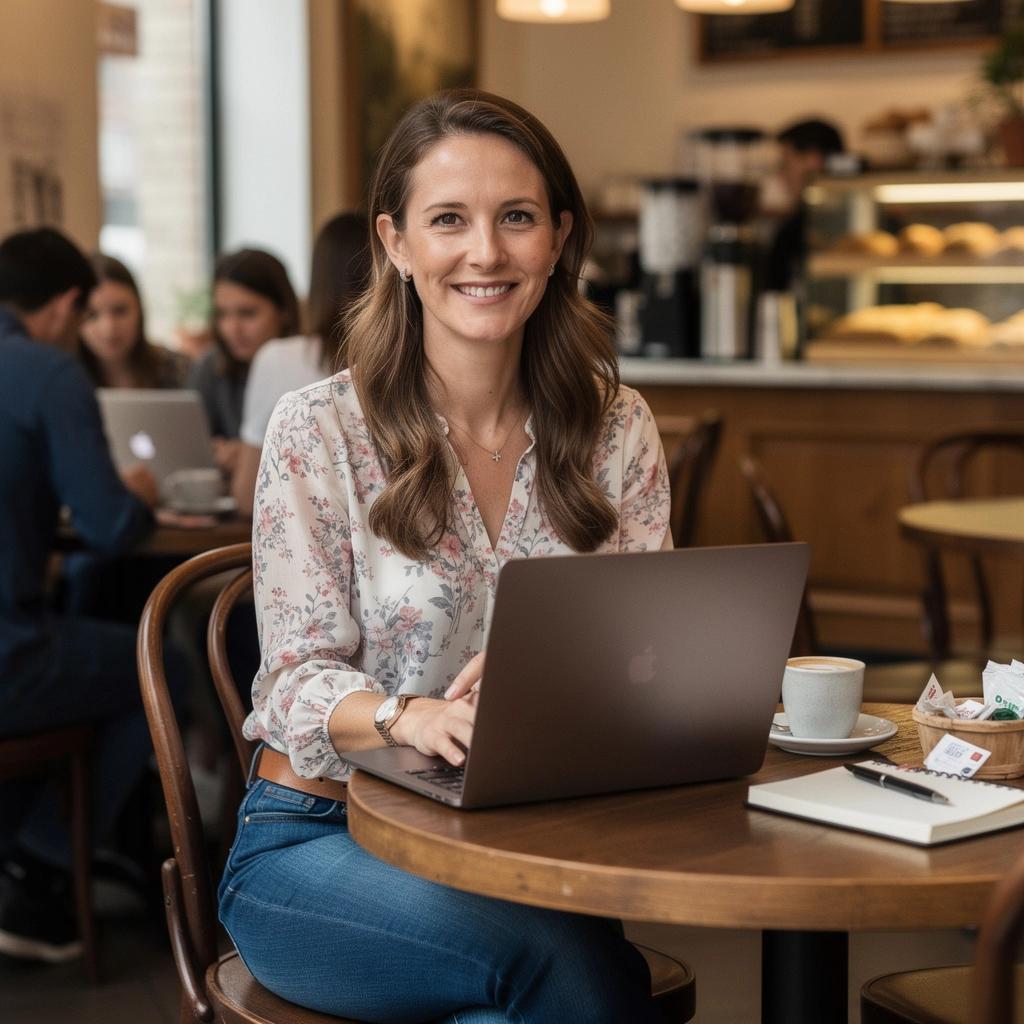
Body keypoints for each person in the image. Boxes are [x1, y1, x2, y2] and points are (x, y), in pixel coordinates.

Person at [218, 90, 671, 1022]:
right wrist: (407, 717)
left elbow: (654, 652)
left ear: (559, 238)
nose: (486, 252)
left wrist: (572, 677)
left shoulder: (617, 425)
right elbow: (291, 681)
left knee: (526, 995)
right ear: (395, 242)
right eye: (449, 220)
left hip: (529, 847)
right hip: (320, 837)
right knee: (572, 970)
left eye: (518, 218)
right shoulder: (318, 428)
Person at [0, 227, 180, 962]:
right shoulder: (46, 371)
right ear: (66, 305)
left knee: (83, 638)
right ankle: (42, 872)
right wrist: (138, 495)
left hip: (22, 633)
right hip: (10, 657)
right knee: (157, 664)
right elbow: (110, 525)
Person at [231, 211, 371, 515]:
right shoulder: (411, 360)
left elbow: (246, 496)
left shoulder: (277, 359)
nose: (232, 328)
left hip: (306, 535)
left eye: (247, 313)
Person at [187, 248, 299, 485]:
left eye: (247, 314)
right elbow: (188, 442)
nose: (232, 328)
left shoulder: (303, 367)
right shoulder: (211, 366)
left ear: (284, 311)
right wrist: (214, 452)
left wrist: (251, 456)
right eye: (222, 314)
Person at [78, 254, 190, 389]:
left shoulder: (179, 370)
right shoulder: (65, 379)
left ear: (140, 309)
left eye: (120, 311)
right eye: (92, 315)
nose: (109, 327)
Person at [765, 118, 845, 291]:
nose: (781, 175)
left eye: (784, 164)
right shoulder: (793, 222)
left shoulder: (802, 227)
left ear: (814, 160)